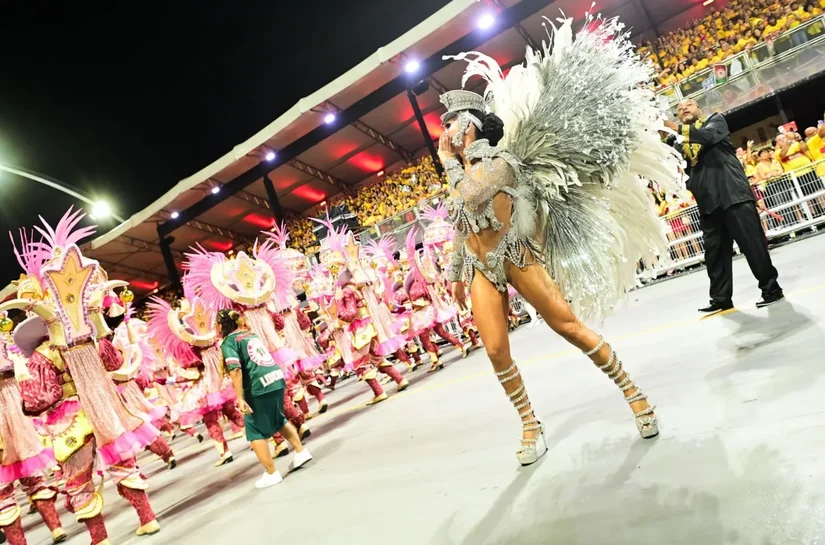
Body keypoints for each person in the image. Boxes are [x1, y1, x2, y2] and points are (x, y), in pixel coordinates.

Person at [439, 16, 683, 466]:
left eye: (451, 123)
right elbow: (461, 221)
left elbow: (472, 196)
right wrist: (456, 273)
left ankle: (635, 395)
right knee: (494, 349)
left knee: (567, 327)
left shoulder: (503, 163)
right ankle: (530, 424)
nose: (444, 131)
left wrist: (449, 162)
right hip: (479, 266)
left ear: (469, 126)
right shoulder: (459, 171)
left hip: (516, 255)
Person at [664, 99, 783, 311]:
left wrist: (676, 128)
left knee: (752, 246)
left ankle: (771, 289)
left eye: (688, 105)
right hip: (708, 203)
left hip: (733, 195)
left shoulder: (715, 120)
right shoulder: (678, 142)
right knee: (714, 254)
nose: (683, 108)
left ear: (699, 109)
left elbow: (707, 137)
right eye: (679, 109)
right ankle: (721, 298)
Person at [217, 309, 312, 489]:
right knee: (278, 419)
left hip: (257, 386)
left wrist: (239, 396)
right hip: (276, 378)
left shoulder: (228, 342)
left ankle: (271, 472)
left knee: (254, 431)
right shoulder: (250, 335)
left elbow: (235, 368)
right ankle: (301, 451)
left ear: (222, 325)